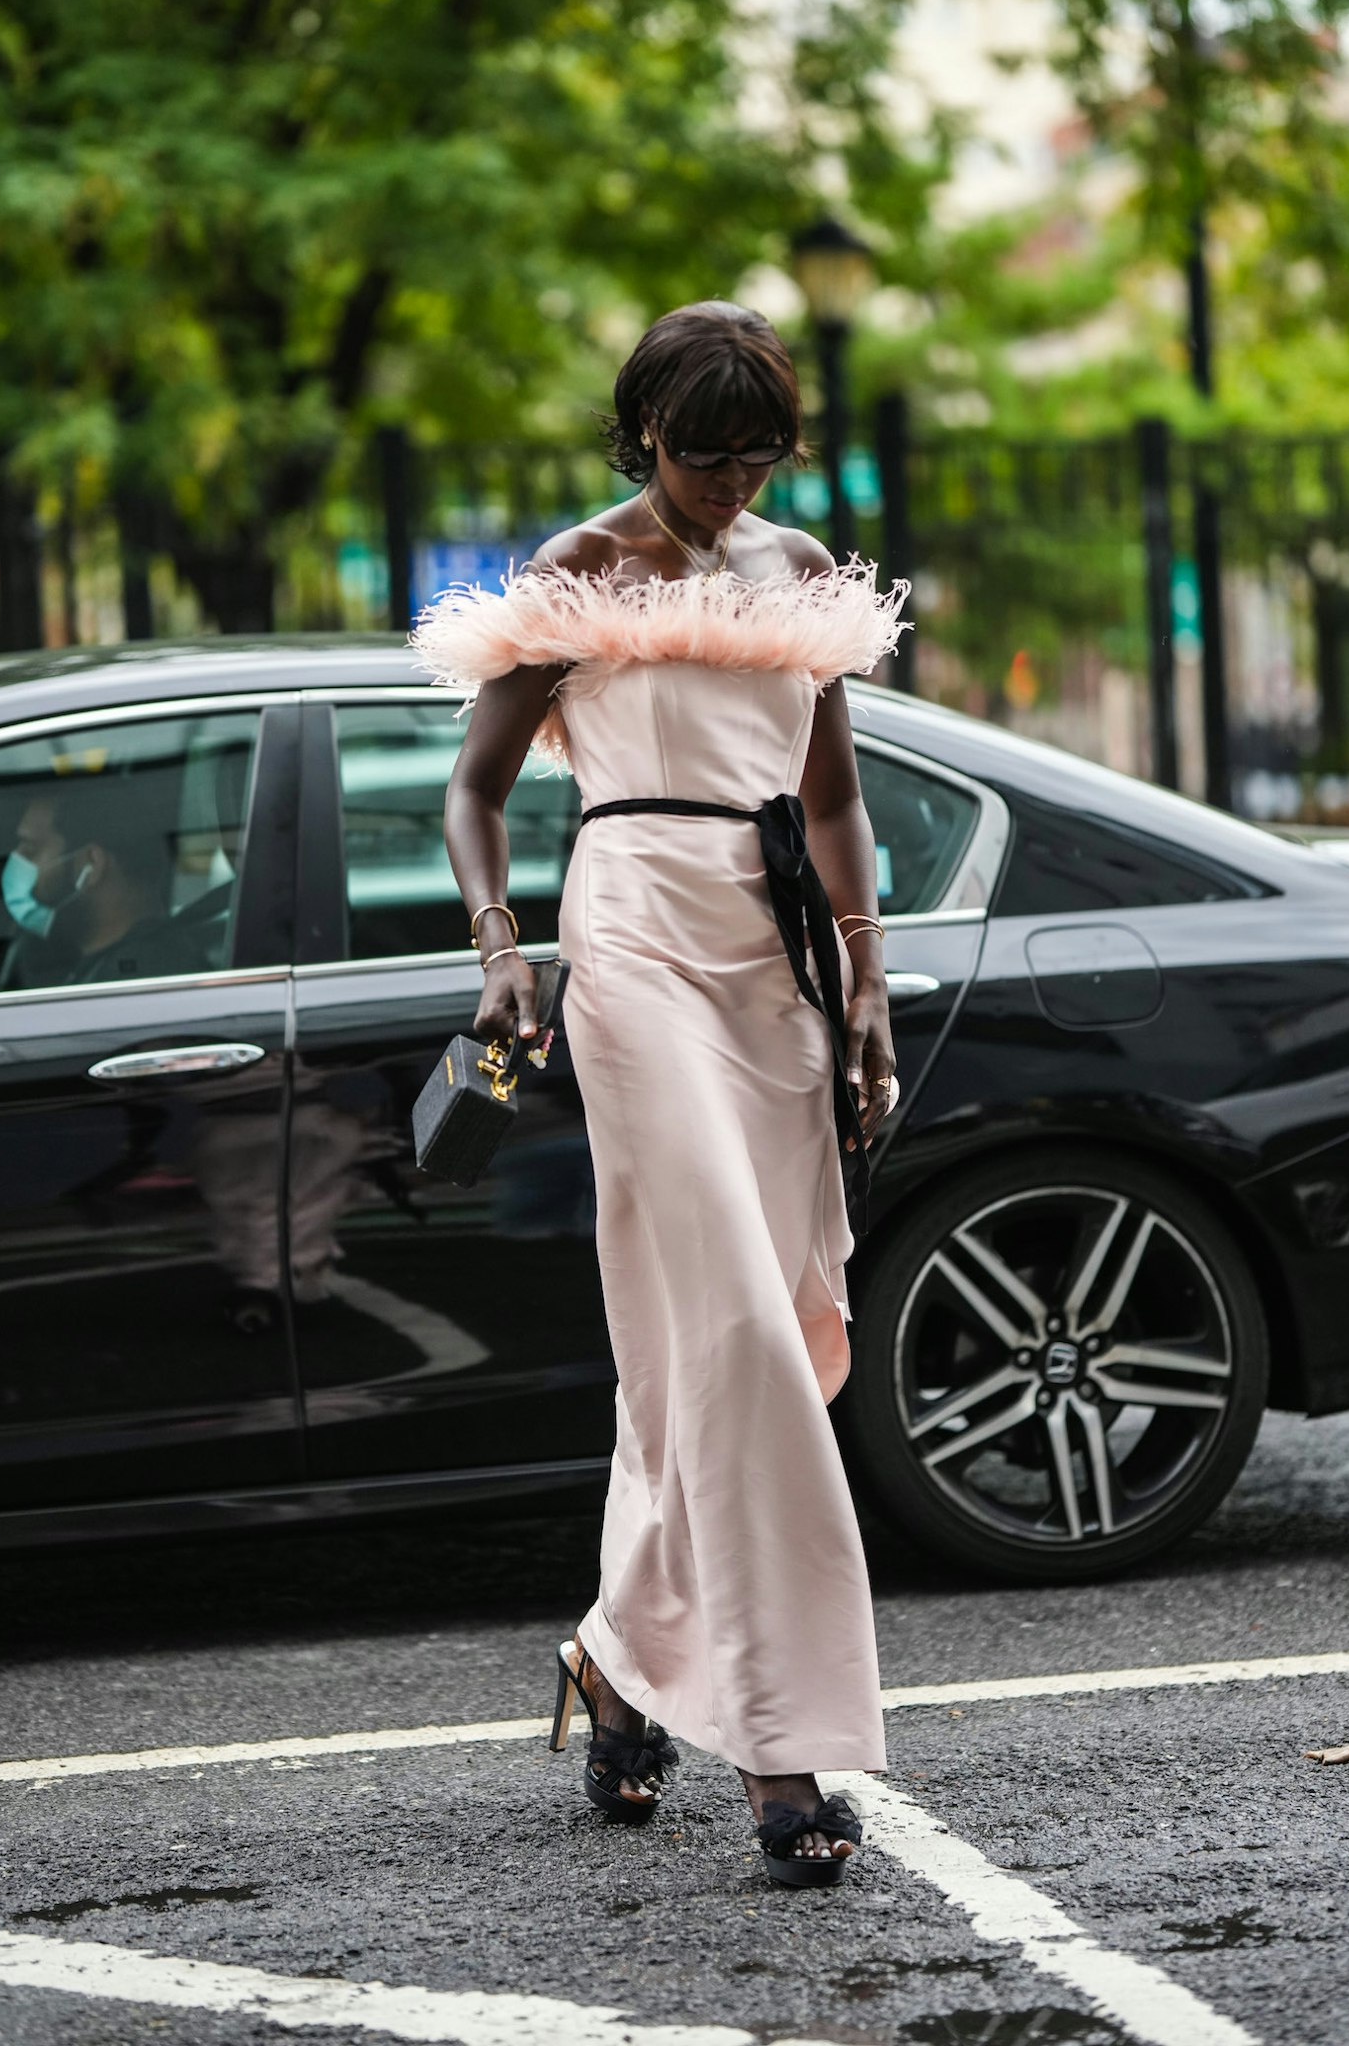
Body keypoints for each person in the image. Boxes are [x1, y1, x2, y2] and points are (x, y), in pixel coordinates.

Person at [412, 300, 905, 1890]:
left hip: (776, 958)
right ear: (643, 437)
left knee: (725, 1348)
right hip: (626, 933)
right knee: (743, 1343)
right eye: (703, 453)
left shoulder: (807, 576)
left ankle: (615, 1664)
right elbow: (476, 786)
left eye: (758, 450)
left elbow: (831, 800)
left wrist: (871, 984)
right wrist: (500, 952)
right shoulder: (591, 562)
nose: (730, 482)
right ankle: (784, 1743)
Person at [2, 776, 206, 986]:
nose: (17, 862)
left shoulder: (139, 982)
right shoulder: (118, 966)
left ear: (91, 864)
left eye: (32, 850)